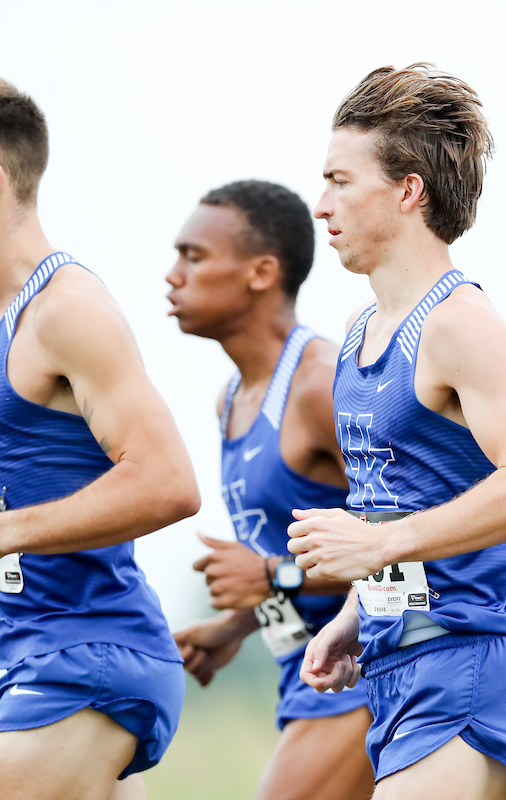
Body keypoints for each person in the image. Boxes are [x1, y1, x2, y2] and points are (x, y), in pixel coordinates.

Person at [0, 77, 199, 800]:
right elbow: (43, 483)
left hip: (90, 659)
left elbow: (169, 482)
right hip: (44, 654)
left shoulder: (66, 310)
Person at [284, 64, 506, 800]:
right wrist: (356, 612)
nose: (322, 205)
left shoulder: (460, 325)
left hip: (467, 676)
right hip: (393, 671)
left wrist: (379, 546)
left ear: (408, 191)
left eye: (341, 181)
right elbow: (397, 505)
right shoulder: (355, 334)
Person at [166, 179, 374, 800]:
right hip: (304, 675)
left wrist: (271, 577)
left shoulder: (321, 385)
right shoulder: (229, 400)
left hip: (370, 673)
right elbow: (291, 560)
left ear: (261, 272)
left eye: (194, 256)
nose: (172, 275)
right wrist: (234, 625)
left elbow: (421, 544)